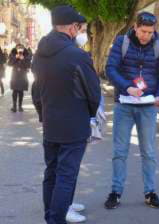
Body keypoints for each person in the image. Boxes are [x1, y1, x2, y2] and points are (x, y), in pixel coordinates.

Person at [31, 5, 101, 224]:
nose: (80, 31)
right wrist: (89, 115)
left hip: (51, 122)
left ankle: (50, 216)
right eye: (79, 27)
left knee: (52, 172)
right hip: (74, 125)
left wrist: (43, 113)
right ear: (72, 28)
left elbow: (36, 90)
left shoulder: (39, 52)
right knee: (66, 176)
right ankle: (55, 220)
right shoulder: (77, 55)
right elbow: (93, 93)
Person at [104, 11, 159, 209]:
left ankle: (150, 192)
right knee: (120, 151)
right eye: (142, 31)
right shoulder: (122, 42)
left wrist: (158, 94)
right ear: (135, 27)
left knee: (148, 151)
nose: (145, 36)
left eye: (149, 32)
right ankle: (116, 192)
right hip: (124, 104)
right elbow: (110, 69)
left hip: (148, 106)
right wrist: (127, 87)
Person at [8, 44, 31, 112]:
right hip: (15, 75)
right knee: (15, 91)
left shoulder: (26, 55)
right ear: (16, 48)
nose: (20, 49)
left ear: (23, 49)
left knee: (21, 91)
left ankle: (20, 106)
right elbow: (9, 64)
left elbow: (29, 65)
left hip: (22, 75)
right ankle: (14, 106)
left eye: (21, 48)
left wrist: (23, 59)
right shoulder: (13, 54)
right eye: (18, 48)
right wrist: (15, 58)